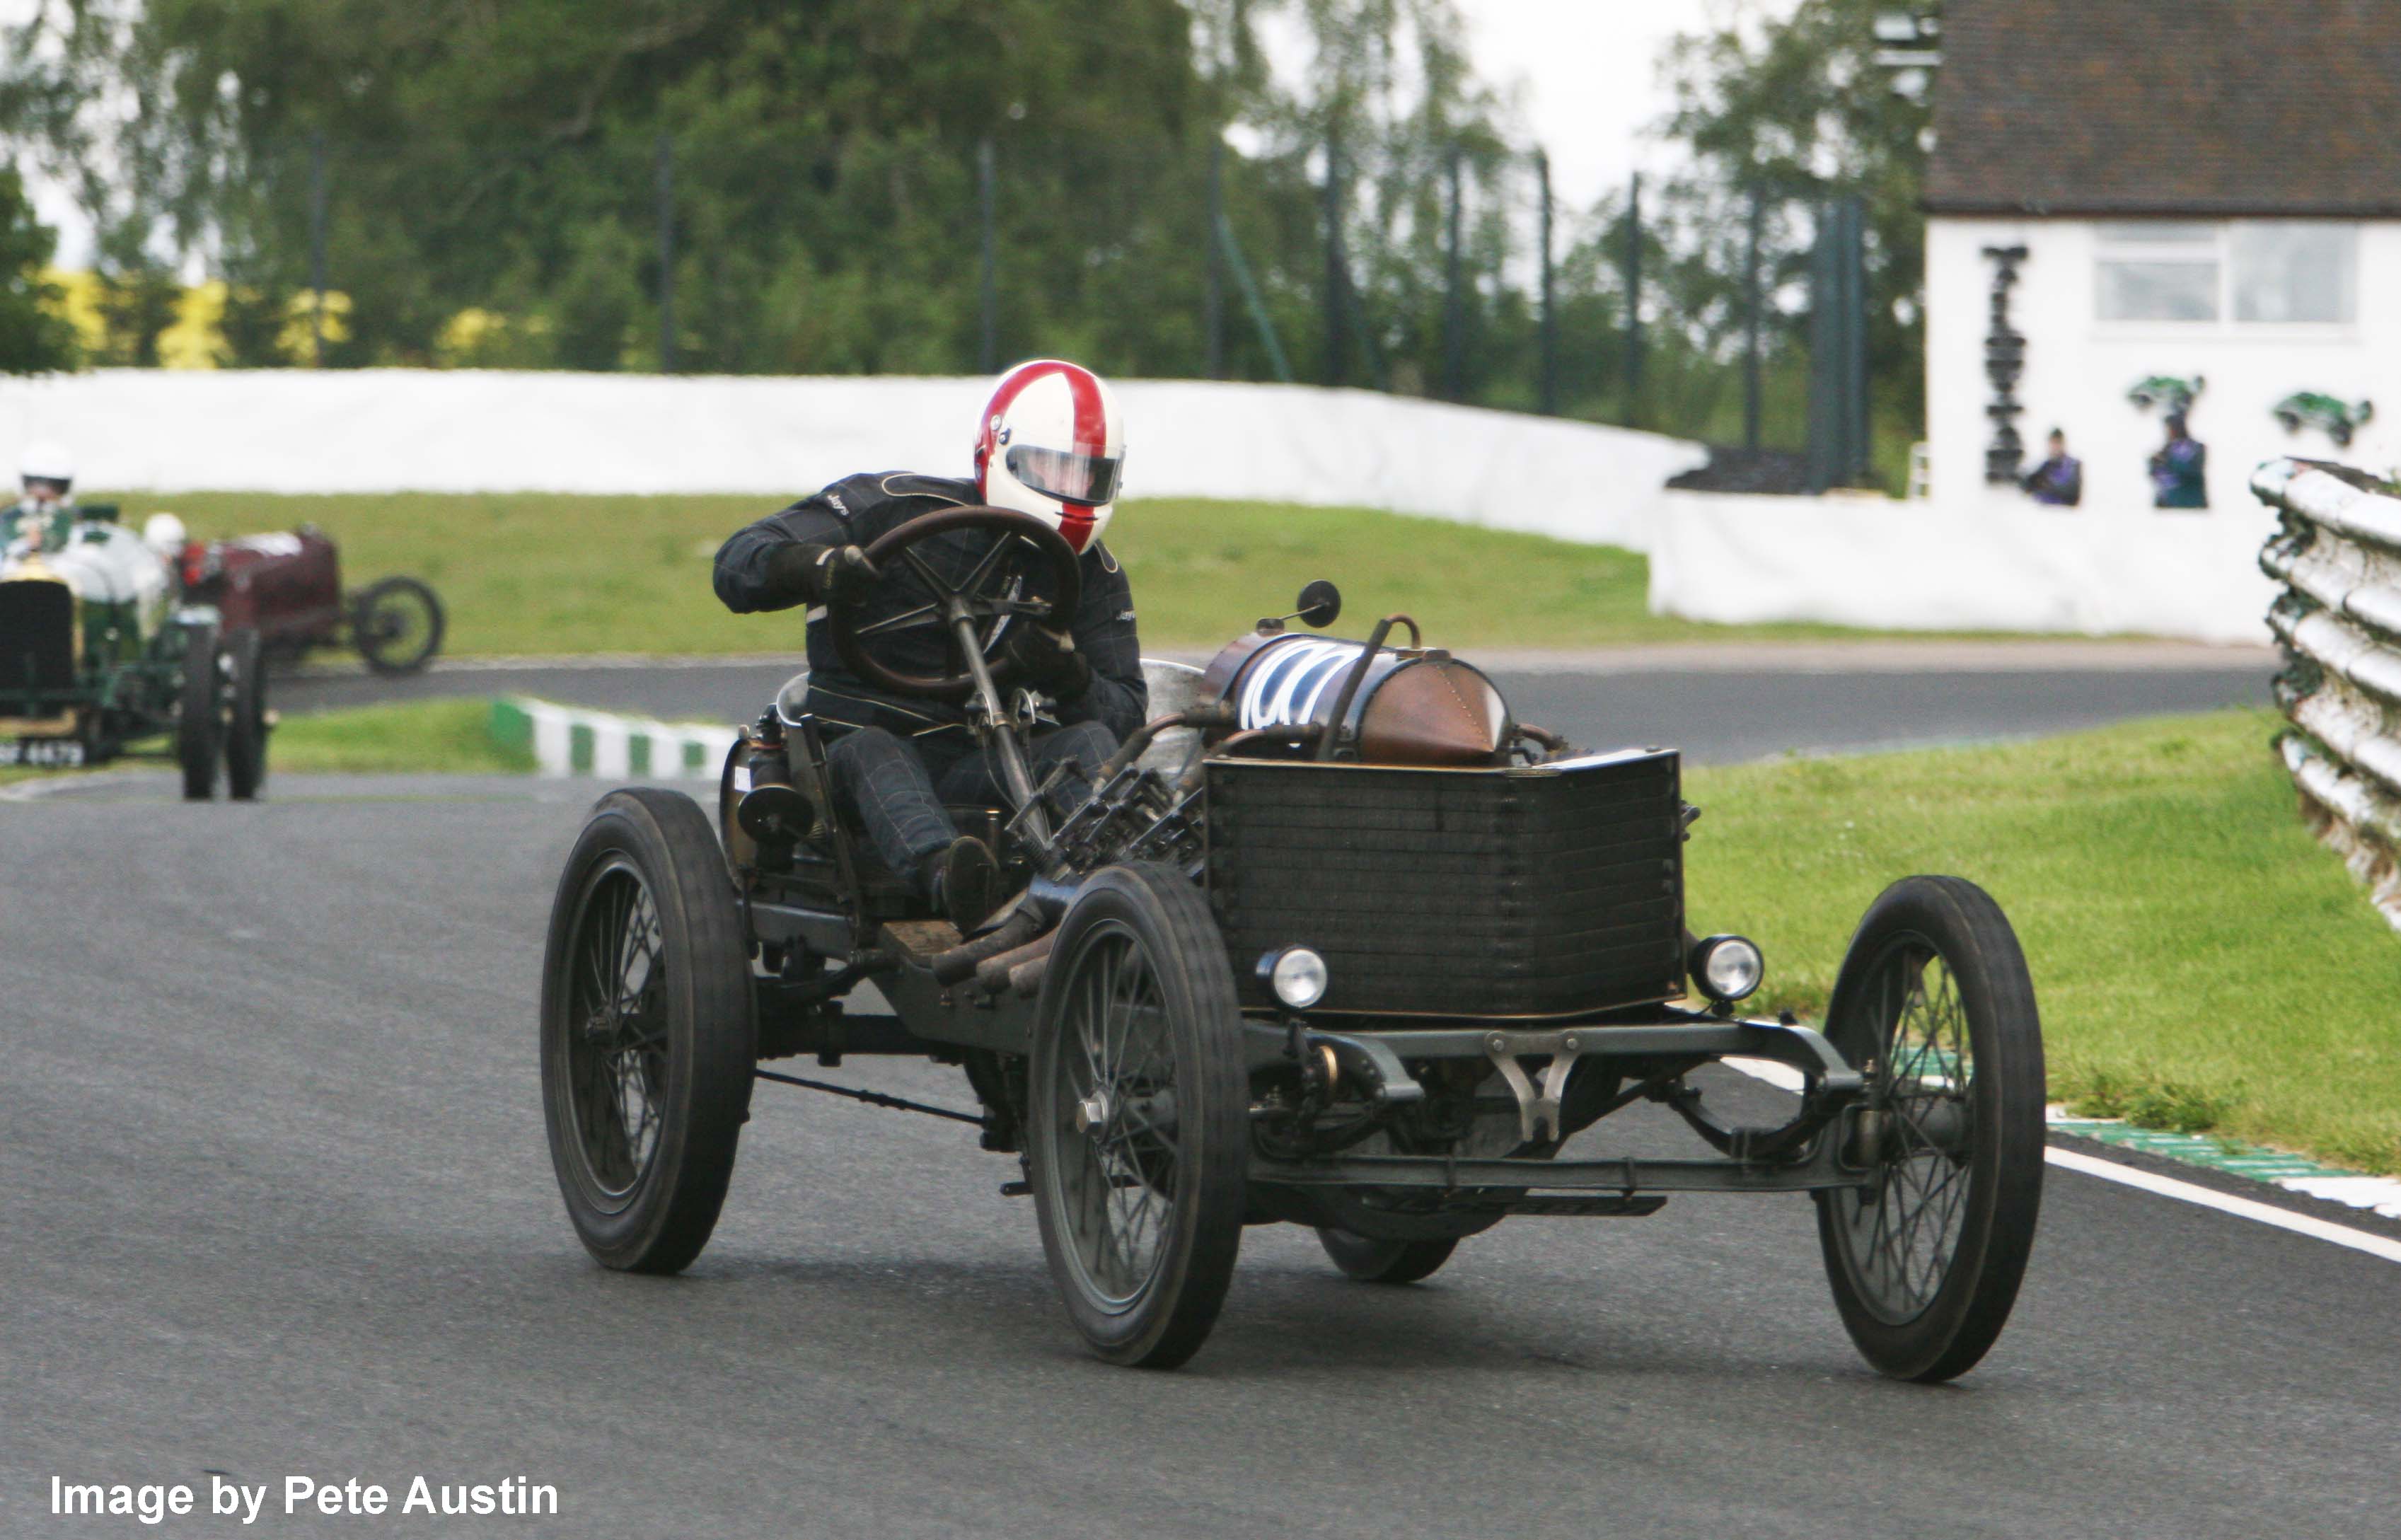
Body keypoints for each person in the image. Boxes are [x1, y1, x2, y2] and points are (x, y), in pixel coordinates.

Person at [713, 359, 1146, 927]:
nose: (1069, 490)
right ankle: (952, 877)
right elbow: (737, 562)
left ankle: (1137, 888)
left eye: (1085, 476)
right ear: (1000, 451)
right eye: (1051, 468)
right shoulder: (888, 505)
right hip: (846, 756)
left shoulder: (1094, 573)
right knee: (879, 751)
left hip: (982, 758)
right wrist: (818, 566)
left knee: (1086, 740)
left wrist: (1072, 676)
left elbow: (1127, 718)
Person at [1, 440, 78, 552]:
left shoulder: (70, 518)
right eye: (35, 484)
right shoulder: (8, 517)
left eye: (54, 486)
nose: (43, 494)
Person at [2149, 412, 2209, 509]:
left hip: (2190, 504)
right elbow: (2157, 476)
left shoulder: (2195, 448)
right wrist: (2155, 464)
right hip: (2168, 504)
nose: (2170, 432)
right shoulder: (2166, 449)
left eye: (2172, 428)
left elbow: (2193, 470)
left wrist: (2169, 461)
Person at [2020, 428, 2082, 507]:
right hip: (2044, 511)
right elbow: (2027, 485)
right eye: (2053, 443)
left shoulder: (2072, 464)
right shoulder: (2046, 465)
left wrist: (2046, 484)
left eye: (2058, 442)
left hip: (2066, 512)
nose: (2055, 446)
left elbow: (2072, 492)